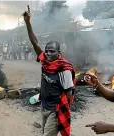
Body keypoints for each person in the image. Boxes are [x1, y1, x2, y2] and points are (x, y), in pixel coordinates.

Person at [23, 5, 75, 136]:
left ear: (59, 53)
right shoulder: (45, 62)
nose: (48, 53)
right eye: (46, 51)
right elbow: (34, 43)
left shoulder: (64, 70)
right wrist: (28, 23)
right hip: (44, 106)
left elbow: (69, 94)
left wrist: (63, 112)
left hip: (55, 110)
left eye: (52, 51)